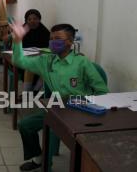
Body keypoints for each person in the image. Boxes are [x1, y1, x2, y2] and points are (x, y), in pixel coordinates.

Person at [9, 22, 108, 171]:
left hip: (81, 110)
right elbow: (18, 61)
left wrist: (92, 107)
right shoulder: (46, 61)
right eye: (51, 38)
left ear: (70, 41)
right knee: (25, 126)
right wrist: (17, 40)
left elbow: (102, 90)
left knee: (82, 150)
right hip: (57, 109)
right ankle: (39, 158)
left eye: (58, 38)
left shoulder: (82, 62)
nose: (53, 42)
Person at [20, 9, 50, 91]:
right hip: (24, 58)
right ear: (26, 20)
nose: (32, 21)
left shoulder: (44, 32)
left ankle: (35, 91)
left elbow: (49, 48)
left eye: (35, 19)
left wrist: (41, 52)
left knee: (45, 68)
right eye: (29, 19)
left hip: (40, 57)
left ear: (39, 20)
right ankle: (28, 91)